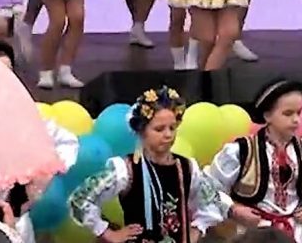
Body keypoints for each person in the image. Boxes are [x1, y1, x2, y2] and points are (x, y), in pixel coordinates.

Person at [69, 86, 227, 242]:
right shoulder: (127, 169)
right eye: (159, 129)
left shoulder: (187, 167)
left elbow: (214, 201)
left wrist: (197, 229)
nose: (168, 135)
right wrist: (107, 233)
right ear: (142, 131)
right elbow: (81, 199)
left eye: (172, 128)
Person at [206, 78, 302, 243]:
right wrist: (233, 209)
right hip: (254, 233)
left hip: (296, 233)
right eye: (288, 113)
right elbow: (208, 186)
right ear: (267, 115)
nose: (296, 120)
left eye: (298, 113)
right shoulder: (241, 150)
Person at [0, 39, 79, 243]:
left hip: (17, 225)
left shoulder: (25, 115)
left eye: (9, 72)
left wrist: (40, 175)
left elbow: (67, 142)